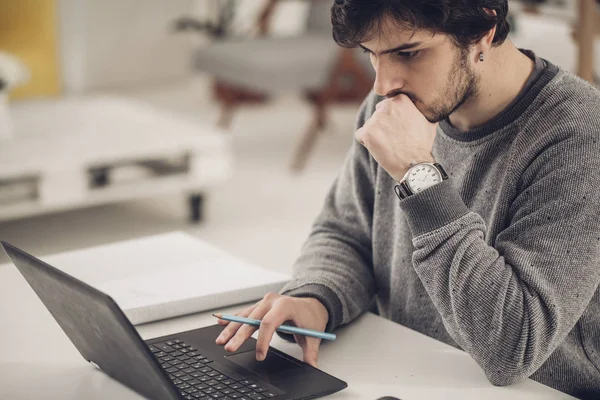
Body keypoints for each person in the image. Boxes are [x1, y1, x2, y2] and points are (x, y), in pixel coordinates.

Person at [215, 0, 600, 398]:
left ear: (484, 30)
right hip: (403, 375)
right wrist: (316, 297)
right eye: (372, 55)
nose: (384, 85)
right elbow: (345, 232)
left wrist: (419, 176)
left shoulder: (580, 135)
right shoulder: (392, 106)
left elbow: (512, 347)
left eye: (408, 53)